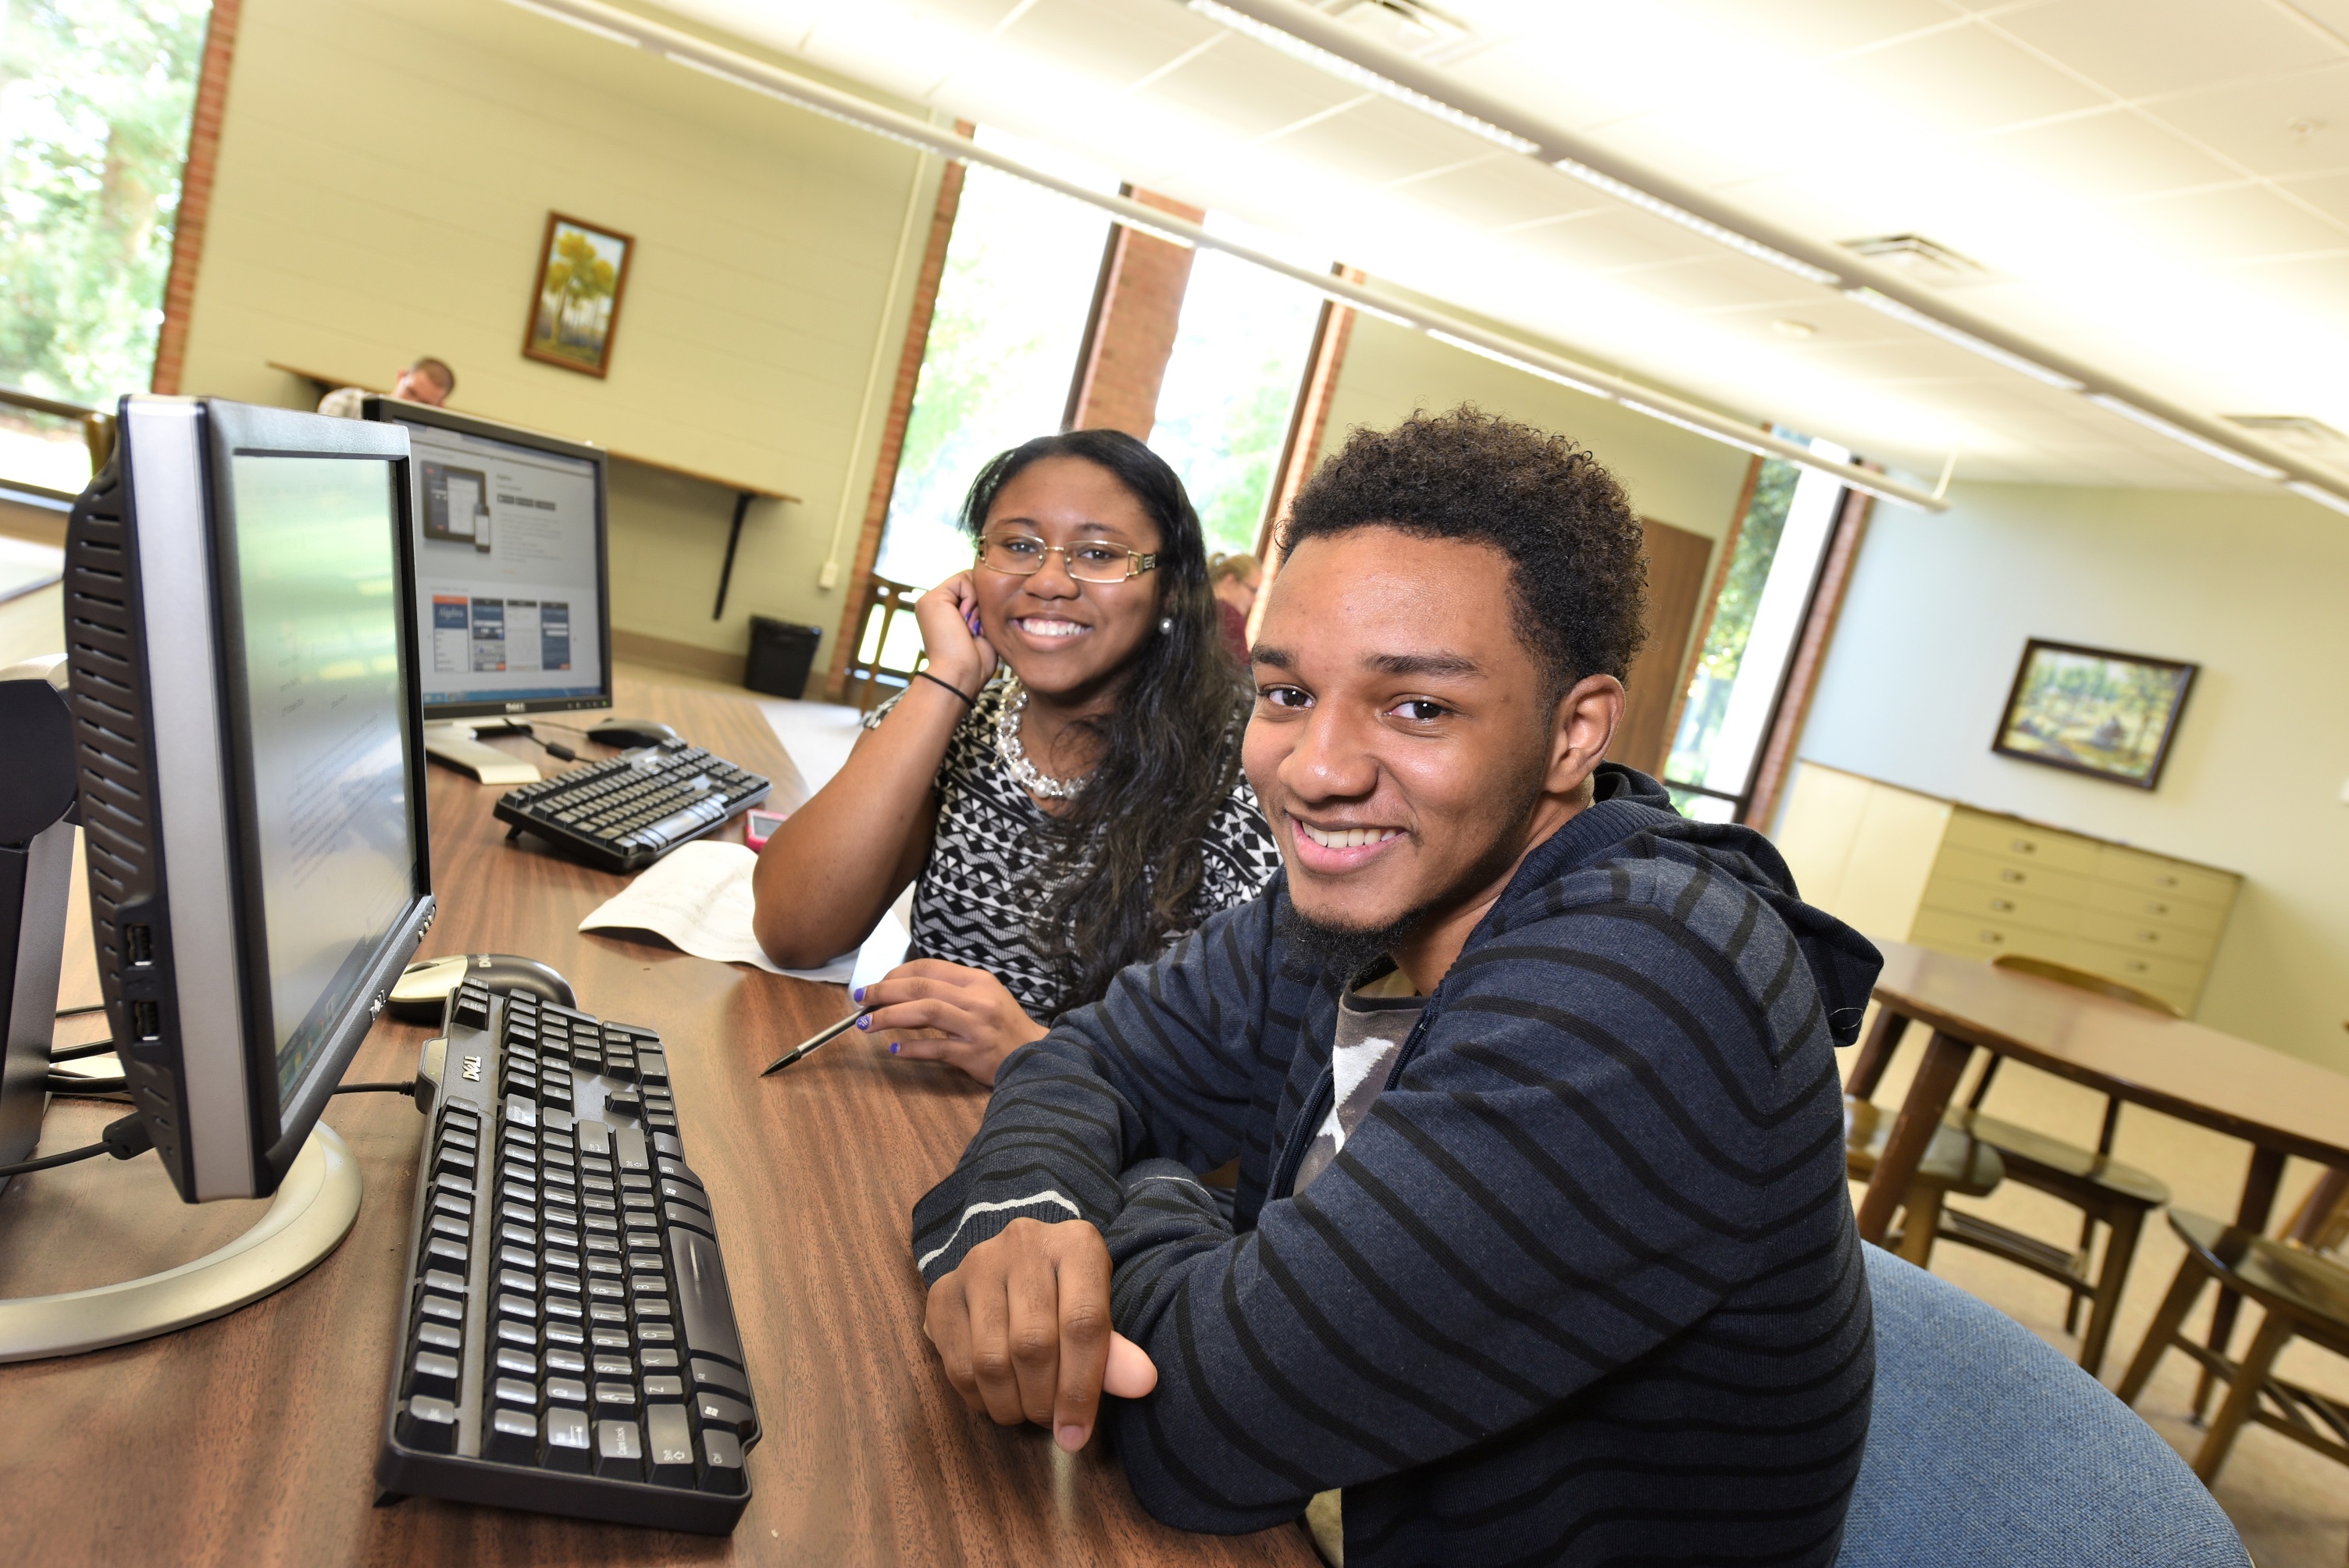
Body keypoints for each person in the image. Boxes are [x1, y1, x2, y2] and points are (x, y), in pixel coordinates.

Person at [911, 408, 1882, 1566]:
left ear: (1575, 734)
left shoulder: (1646, 994)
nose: (1319, 771)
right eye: (1284, 695)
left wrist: (1147, 1186)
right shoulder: (1370, 890)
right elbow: (1085, 1059)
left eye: (1419, 706)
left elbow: (1202, 1425)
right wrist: (1028, 1210)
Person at [752, 429, 1281, 1084]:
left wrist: (1034, 1054)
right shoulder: (949, 718)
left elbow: (1259, 1103)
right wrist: (947, 679)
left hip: (1103, 1162)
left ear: (1170, 587)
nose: (1049, 580)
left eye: (1098, 553)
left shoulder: (1249, 778)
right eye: (1019, 545)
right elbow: (793, 931)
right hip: (913, 1114)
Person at [317, 355, 455, 419]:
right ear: (401, 376)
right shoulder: (348, 403)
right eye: (411, 392)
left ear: (439, 408)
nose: (411, 404)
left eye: (424, 403)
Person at [1207, 550, 1260, 665]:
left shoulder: (1201, 604)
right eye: (1253, 590)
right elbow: (1241, 675)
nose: (1255, 598)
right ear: (1229, 581)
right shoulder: (1228, 616)